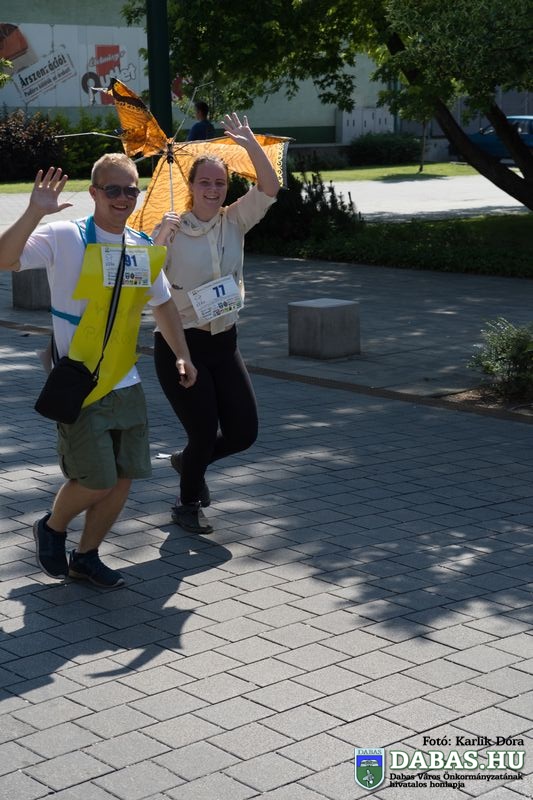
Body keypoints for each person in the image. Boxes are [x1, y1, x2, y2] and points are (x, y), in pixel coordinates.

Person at [0, 154, 197, 587]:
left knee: (123, 479)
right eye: (113, 189)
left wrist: (182, 354)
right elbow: (4, 258)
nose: (123, 198)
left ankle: (86, 557)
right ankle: (51, 527)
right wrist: (34, 212)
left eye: (131, 190)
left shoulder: (140, 246)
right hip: (81, 385)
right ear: (94, 192)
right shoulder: (65, 236)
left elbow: (163, 303)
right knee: (96, 480)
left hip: (127, 382)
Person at [153, 112, 280, 534]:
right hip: (180, 345)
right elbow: (145, 284)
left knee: (243, 433)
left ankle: (187, 462)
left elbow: (270, 187)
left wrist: (250, 144)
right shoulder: (171, 229)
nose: (212, 189)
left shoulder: (234, 220)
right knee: (204, 431)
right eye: (204, 182)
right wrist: (158, 240)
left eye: (220, 183)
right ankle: (187, 504)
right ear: (190, 186)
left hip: (224, 342)